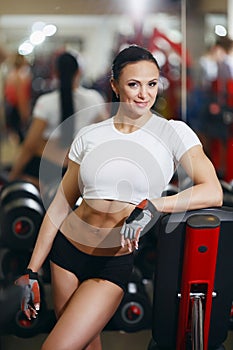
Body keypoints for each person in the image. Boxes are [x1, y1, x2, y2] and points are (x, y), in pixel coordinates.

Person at [15, 45, 223, 350]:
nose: (144, 94)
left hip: (112, 261)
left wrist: (154, 205)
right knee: (86, 345)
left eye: (152, 84)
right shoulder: (91, 135)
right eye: (133, 84)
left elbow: (212, 191)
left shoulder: (173, 133)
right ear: (114, 85)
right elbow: (60, 206)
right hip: (66, 254)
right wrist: (31, 272)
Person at [8, 51, 107, 189]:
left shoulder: (46, 102)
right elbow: (105, 134)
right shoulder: (94, 99)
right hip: (77, 171)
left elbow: (29, 146)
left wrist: (12, 177)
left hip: (45, 170)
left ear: (55, 73)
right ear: (79, 71)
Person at [3, 52, 32, 143]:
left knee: (14, 135)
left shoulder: (10, 75)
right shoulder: (20, 77)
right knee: (21, 137)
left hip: (10, 108)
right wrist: (25, 114)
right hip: (16, 109)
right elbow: (21, 98)